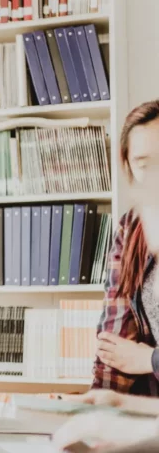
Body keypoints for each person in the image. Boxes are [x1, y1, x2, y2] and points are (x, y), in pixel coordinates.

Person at [91, 100, 159, 396]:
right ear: (129, 167)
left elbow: (136, 357)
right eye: (145, 164)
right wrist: (98, 403)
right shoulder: (132, 227)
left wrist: (148, 359)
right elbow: (114, 341)